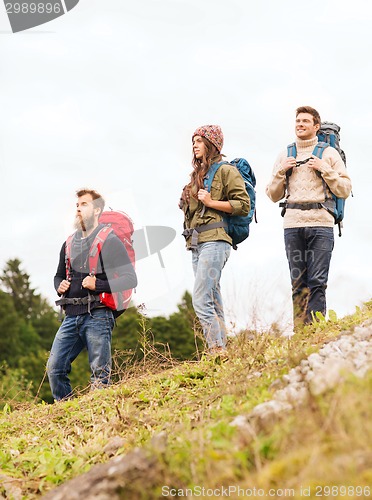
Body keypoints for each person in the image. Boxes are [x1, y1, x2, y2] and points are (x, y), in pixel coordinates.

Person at [47, 188, 137, 401]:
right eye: (77, 205)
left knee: (100, 375)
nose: (78, 209)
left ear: (97, 210)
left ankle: (101, 419)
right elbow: (58, 276)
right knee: (55, 369)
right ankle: (67, 412)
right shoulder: (68, 243)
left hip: (98, 314)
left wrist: (98, 284)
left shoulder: (110, 241)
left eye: (84, 204)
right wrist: (59, 285)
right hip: (71, 316)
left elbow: (130, 279)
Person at [266, 106, 352, 329]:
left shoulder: (329, 154)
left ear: (316, 126)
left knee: (317, 282)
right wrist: (280, 172)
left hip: (321, 224)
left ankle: (315, 330)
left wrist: (325, 169)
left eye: (305, 121)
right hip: (292, 225)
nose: (300, 124)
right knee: (298, 283)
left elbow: (345, 189)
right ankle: (300, 333)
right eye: (297, 120)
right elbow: (272, 195)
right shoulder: (285, 155)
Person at [180, 125, 250, 354]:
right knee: (212, 297)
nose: (194, 145)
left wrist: (211, 202)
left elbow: (243, 205)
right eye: (193, 141)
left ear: (211, 145)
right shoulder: (196, 176)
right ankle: (224, 351)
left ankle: (215, 349)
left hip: (216, 242)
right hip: (196, 244)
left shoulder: (226, 171)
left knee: (200, 299)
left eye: (199, 141)